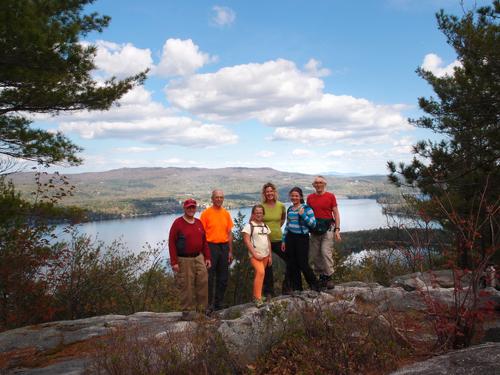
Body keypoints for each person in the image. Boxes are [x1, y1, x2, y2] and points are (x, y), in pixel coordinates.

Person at [168, 199, 211, 319]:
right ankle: (187, 312)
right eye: (189, 208)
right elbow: (171, 243)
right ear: (184, 209)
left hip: (199, 257)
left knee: (203, 282)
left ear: (195, 208)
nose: (191, 209)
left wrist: (207, 257)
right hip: (184, 259)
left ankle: (202, 310)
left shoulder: (198, 222)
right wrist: (174, 262)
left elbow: (204, 242)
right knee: (186, 285)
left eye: (193, 207)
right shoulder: (178, 223)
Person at [200, 189, 234, 311]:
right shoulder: (206, 214)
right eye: (217, 197)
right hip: (210, 247)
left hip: (224, 247)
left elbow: (229, 233)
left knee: (223, 278)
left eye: (221, 197)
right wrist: (204, 253)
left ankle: (219, 304)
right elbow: (202, 234)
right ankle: (208, 306)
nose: (219, 199)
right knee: (209, 278)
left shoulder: (226, 213)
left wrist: (230, 251)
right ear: (212, 199)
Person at [281, 187, 319, 292]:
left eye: (296, 196)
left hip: (302, 238)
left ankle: (314, 285)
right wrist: (284, 240)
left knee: (303, 263)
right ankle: (298, 288)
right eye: (292, 195)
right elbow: (287, 225)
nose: (294, 197)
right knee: (293, 264)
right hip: (290, 238)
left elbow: (313, 224)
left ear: (301, 197)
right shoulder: (290, 209)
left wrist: (303, 216)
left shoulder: (307, 209)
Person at [307, 175, 341, 290]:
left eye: (320, 182)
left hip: (328, 228)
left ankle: (329, 276)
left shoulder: (330, 196)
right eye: (316, 183)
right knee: (315, 254)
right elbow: (308, 214)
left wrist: (337, 229)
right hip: (315, 229)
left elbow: (336, 213)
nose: (318, 184)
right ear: (313, 185)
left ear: (324, 184)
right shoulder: (310, 198)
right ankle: (322, 277)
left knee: (325, 252)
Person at [242, 204, 272, 308]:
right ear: (253, 214)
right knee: (261, 272)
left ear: (263, 214)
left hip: (265, 255)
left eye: (260, 212)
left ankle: (257, 295)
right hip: (255, 256)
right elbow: (246, 241)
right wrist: (254, 254)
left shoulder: (265, 226)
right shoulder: (249, 226)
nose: (259, 214)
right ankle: (257, 298)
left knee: (260, 275)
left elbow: (268, 241)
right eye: (256, 212)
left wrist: (270, 256)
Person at [261, 182, 288, 296]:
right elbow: (254, 222)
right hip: (264, 241)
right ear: (264, 193)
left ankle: (287, 287)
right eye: (267, 191)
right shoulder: (261, 206)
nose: (269, 193)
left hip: (278, 239)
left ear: (274, 192)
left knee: (290, 260)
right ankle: (269, 292)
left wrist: (276, 228)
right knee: (267, 266)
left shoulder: (281, 206)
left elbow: (283, 219)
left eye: (271, 191)